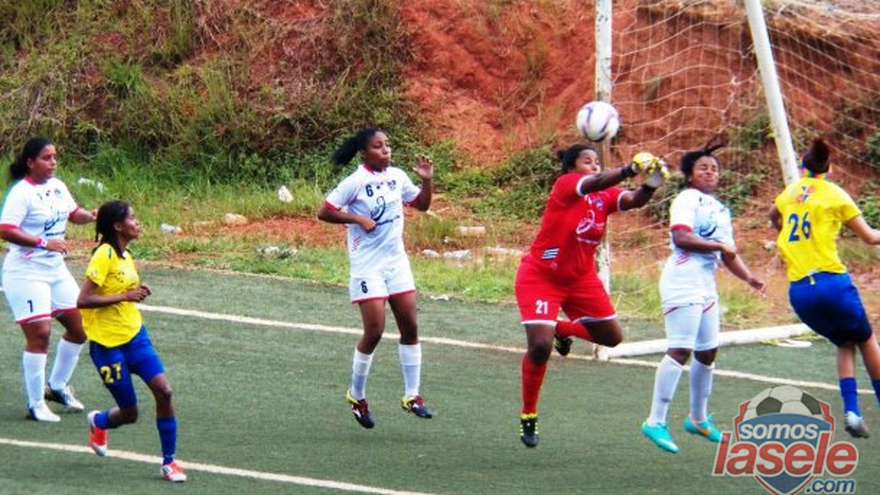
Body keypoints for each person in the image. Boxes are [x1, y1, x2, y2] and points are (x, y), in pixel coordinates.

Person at [515, 144, 668, 447]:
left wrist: (652, 182)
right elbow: (597, 182)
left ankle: (560, 327)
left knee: (611, 337)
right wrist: (628, 171)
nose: (595, 166)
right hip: (541, 276)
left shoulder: (605, 196)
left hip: (581, 279)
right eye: (588, 161)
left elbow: (634, 200)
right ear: (572, 168)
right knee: (540, 346)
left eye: (598, 162)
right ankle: (528, 414)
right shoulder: (566, 185)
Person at [641, 144, 764, 454]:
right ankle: (655, 420)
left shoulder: (721, 210)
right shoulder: (686, 199)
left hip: (706, 287)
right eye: (703, 168)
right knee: (680, 349)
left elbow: (729, 252)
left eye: (714, 168)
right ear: (691, 176)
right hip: (682, 281)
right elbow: (682, 237)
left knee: (707, 353)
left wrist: (749, 277)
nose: (710, 172)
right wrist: (719, 248)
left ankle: (697, 419)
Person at [317, 127, 435, 429]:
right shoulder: (355, 182)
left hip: (396, 262)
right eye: (378, 146)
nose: (386, 150)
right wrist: (357, 218)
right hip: (367, 266)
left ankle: (412, 396)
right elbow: (325, 211)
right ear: (364, 153)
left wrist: (426, 181)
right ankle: (357, 397)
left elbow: (421, 205)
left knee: (410, 326)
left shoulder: (396, 176)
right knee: (375, 331)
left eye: (388, 145)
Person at [770, 138, 880, 438]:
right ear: (828, 169)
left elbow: (774, 217)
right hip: (832, 283)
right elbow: (870, 237)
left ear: (803, 167)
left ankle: (852, 411)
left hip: (801, 293)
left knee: (844, 343)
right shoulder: (836, 195)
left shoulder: (788, 193)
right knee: (867, 340)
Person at [77, 201, 186, 482]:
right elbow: (83, 300)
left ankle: (169, 463)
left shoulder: (127, 254)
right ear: (117, 226)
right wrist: (125, 296)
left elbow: (121, 288)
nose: (138, 223)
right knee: (130, 413)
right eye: (133, 218)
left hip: (135, 336)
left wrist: (136, 291)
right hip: (107, 346)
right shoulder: (104, 255)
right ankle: (99, 421)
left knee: (165, 392)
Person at [0, 137, 96, 422]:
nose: (53, 162)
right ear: (30, 162)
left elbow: (72, 213)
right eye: (46, 158)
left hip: (55, 271)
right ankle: (36, 403)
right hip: (26, 272)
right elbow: (5, 229)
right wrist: (43, 242)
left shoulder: (57, 187)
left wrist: (89, 216)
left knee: (80, 328)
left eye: (54, 157)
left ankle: (56, 386)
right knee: (40, 334)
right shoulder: (21, 193)